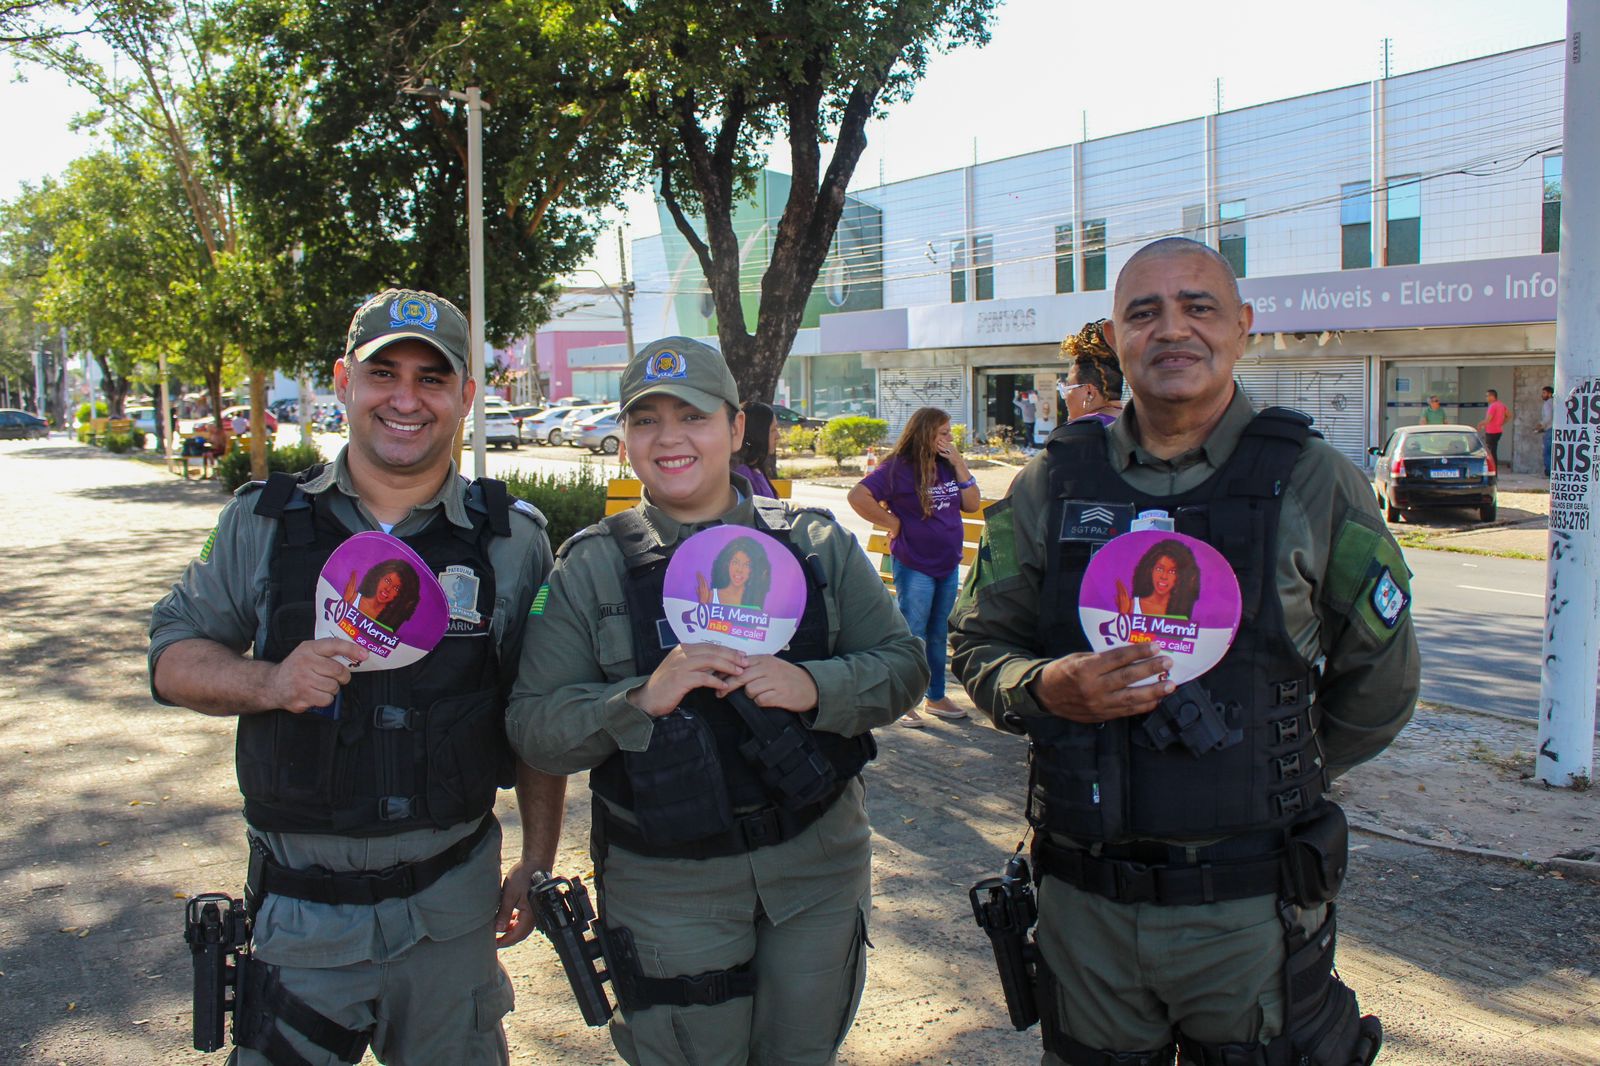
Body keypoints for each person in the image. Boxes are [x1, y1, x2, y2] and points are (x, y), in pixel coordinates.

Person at [949, 238, 1419, 1066]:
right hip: (1084, 912)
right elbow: (979, 639)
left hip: (1249, 915)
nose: (1173, 329)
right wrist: (1044, 688)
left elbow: (1379, 682)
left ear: (1241, 327)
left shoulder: (1314, 481)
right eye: (1145, 312)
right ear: (1115, 336)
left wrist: (1279, 771)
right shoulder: (1054, 481)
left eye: (1198, 307)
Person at [148, 288, 566, 1066]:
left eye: (432, 379)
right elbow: (173, 656)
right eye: (384, 374)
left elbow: (534, 715)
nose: (406, 399)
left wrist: (535, 860)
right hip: (301, 922)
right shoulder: (265, 522)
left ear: (467, 397)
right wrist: (269, 683)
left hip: (450, 916)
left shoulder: (510, 540)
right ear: (344, 381)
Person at [507, 337, 927, 1066]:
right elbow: (534, 729)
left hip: (814, 871)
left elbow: (904, 668)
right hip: (668, 885)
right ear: (626, 438)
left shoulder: (815, 547)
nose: (669, 438)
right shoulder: (591, 569)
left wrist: (814, 687)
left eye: (692, 416)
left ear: (736, 430)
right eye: (646, 420)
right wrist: (639, 698)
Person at [848, 407, 980, 727]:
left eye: (950, 433)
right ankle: (904, 699)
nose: (950, 439)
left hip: (947, 564)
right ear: (924, 434)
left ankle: (935, 696)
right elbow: (858, 495)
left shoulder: (949, 465)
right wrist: (891, 522)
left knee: (937, 634)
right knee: (912, 633)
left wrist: (960, 463)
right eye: (943, 434)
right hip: (915, 563)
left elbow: (972, 504)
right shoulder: (897, 468)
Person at [1061, 319, 1125, 426]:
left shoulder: (1072, 435)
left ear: (1089, 392)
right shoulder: (1144, 429)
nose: (1065, 397)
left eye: (1068, 389)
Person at [1114, 539, 1200, 620]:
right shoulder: (1131, 605)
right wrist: (1123, 613)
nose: (1164, 576)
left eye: (1172, 571)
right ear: (1150, 570)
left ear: (1181, 576)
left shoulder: (1182, 610)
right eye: (1159, 569)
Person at [344, 558, 423, 631]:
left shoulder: (392, 621)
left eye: (396, 588)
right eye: (387, 580)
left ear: (401, 595)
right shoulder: (353, 598)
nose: (388, 589)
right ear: (379, 578)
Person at [697, 536, 772, 608]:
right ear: (727, 564)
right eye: (735, 562)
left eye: (747, 565)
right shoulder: (710, 596)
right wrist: (703, 603)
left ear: (753, 570)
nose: (739, 570)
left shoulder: (754, 599)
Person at [733, 400, 781, 497]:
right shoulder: (742, 474)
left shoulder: (756, 468)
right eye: (773, 430)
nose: (778, 436)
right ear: (758, 434)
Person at [1477, 388, 1511, 464]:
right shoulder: (1501, 405)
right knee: (1493, 451)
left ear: (1492, 396)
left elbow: (1488, 420)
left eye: (1487, 396)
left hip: (1491, 432)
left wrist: (1479, 424)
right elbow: (1509, 415)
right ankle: (1494, 471)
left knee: (1490, 452)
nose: (1486, 398)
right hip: (1498, 431)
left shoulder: (1492, 406)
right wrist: (1501, 423)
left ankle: (1493, 471)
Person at [1536, 384, 1555, 476]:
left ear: (1550, 394)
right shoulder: (1554, 402)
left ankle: (1548, 471)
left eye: (1544, 393)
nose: (1542, 395)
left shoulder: (1547, 403)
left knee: (1547, 452)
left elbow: (1548, 417)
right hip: (1553, 429)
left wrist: (1540, 425)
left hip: (1549, 430)